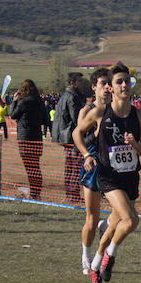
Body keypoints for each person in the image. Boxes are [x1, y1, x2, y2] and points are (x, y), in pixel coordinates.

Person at [74, 64, 141, 283]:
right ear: (110, 87)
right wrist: (87, 154)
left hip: (130, 177)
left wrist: (135, 144)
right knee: (131, 220)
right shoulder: (100, 113)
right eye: (119, 82)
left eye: (127, 81)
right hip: (108, 176)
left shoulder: (139, 116)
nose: (125, 85)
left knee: (114, 226)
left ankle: (96, 265)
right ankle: (110, 256)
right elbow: (76, 133)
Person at [77, 67, 110, 275]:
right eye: (102, 84)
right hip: (94, 167)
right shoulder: (87, 111)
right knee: (91, 218)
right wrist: (87, 155)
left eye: (109, 83)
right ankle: (86, 257)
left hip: (115, 167)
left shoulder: (118, 108)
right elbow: (78, 138)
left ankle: (105, 226)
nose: (107, 87)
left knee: (124, 214)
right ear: (94, 87)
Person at [10, 80, 48, 200]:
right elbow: (45, 119)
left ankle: (34, 192)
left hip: (25, 137)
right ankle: (36, 191)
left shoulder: (23, 102)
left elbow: (13, 115)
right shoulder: (40, 102)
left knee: (29, 166)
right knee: (35, 166)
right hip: (36, 136)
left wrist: (14, 101)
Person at [53, 72, 87, 203]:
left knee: (69, 165)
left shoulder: (64, 96)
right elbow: (77, 118)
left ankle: (70, 193)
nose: (81, 83)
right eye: (79, 81)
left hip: (64, 136)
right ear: (72, 83)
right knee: (75, 165)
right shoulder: (73, 97)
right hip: (72, 136)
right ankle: (73, 194)